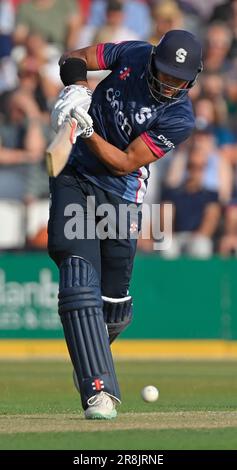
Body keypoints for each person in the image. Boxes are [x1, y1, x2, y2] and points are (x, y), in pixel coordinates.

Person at [48, 30, 203, 420]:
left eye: (179, 79)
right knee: (78, 280)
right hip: (74, 175)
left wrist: (86, 129)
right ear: (152, 62)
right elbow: (74, 58)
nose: (170, 84)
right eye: (165, 73)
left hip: (121, 196)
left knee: (113, 306)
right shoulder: (133, 53)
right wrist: (76, 91)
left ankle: (90, 354)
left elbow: (124, 162)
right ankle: (99, 390)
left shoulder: (179, 118)